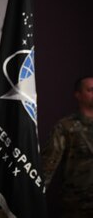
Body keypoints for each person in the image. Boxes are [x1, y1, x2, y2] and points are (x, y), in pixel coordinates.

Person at [41, 75, 93, 218]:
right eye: (90, 90)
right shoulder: (65, 126)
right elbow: (48, 166)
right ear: (78, 95)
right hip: (78, 205)